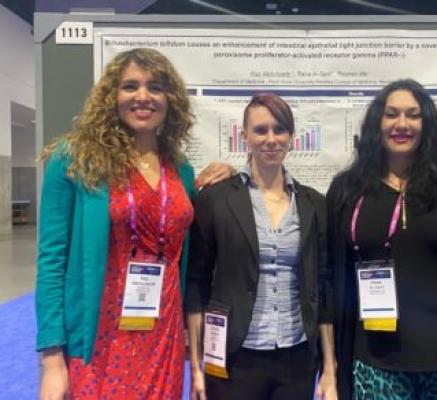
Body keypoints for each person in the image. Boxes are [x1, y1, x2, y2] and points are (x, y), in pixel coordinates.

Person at [36, 47, 232, 400]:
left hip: (163, 333)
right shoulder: (73, 159)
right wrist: (52, 360)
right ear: (112, 96)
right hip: (99, 335)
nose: (143, 97)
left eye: (155, 87)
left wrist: (230, 174)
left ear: (169, 99)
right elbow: (51, 263)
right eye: (130, 86)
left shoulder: (180, 168)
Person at [327, 79, 437, 399]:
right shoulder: (348, 188)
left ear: (426, 124)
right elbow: (333, 275)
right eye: (392, 114)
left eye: (413, 115)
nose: (402, 124)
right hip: (375, 358)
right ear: (376, 123)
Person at [185, 93, 337, 400]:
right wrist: (196, 367)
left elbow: (323, 288)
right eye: (260, 130)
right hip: (233, 355)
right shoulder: (216, 201)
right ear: (244, 136)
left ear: (292, 137)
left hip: (296, 356)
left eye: (279, 130)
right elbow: (197, 283)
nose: (271, 139)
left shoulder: (314, 205)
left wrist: (330, 369)